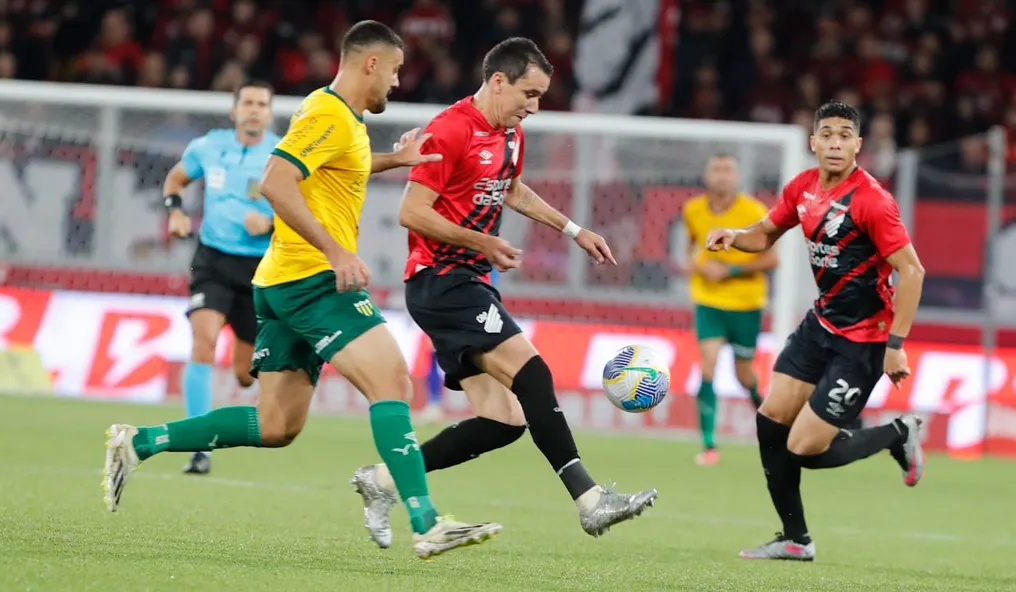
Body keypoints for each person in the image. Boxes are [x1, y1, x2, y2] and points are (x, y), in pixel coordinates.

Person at [103, 20, 501, 561]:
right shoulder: (326, 114)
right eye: (397, 70)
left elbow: (337, 170)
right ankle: (426, 521)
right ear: (371, 64)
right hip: (310, 279)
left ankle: (140, 442)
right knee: (393, 382)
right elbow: (275, 181)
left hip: (281, 282)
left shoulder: (346, 120)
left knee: (276, 425)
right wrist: (336, 252)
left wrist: (395, 161)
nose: (399, 83)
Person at [350, 37, 657, 551]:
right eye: (529, 94)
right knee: (533, 374)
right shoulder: (450, 129)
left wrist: (573, 229)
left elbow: (510, 188)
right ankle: (589, 499)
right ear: (498, 81)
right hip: (441, 279)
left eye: (540, 97)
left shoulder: (510, 133)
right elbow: (412, 210)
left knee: (503, 420)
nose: (534, 107)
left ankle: (382, 480)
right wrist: (481, 240)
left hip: (467, 280)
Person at [705, 101, 926, 562]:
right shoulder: (802, 188)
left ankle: (899, 433)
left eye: (845, 135)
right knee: (769, 423)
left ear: (858, 146)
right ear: (813, 142)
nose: (835, 143)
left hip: (863, 342)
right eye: (827, 134)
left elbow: (912, 270)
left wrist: (896, 346)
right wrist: (734, 235)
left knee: (804, 448)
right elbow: (765, 233)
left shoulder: (872, 201)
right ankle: (795, 539)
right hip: (819, 326)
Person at [163, 80, 279, 476]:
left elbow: (307, 210)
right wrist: (175, 211)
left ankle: (241, 356)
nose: (253, 109)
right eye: (247, 102)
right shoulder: (207, 147)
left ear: (269, 113)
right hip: (211, 261)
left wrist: (270, 222)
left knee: (246, 375)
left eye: (261, 104)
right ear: (234, 111)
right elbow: (175, 180)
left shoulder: (281, 154)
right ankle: (198, 446)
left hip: (258, 269)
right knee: (203, 344)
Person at [681, 153, 777, 466]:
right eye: (716, 169)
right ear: (707, 175)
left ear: (737, 178)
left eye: (728, 170)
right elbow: (692, 247)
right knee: (707, 363)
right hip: (708, 301)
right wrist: (696, 267)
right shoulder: (692, 209)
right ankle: (709, 446)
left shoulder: (753, 211)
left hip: (746, 303)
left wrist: (730, 272)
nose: (721, 175)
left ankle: (771, 427)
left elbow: (772, 259)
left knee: (743, 374)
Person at [415, 267, 501, 425]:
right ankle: (433, 404)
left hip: (473, 305)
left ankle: (484, 407)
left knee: (477, 357)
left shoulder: (482, 252)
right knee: (434, 353)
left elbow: (489, 276)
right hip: (443, 302)